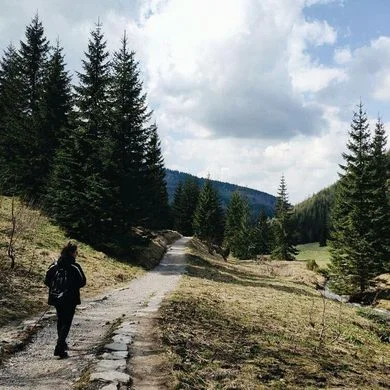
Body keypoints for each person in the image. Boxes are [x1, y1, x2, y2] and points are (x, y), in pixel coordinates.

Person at [44, 241, 86, 358]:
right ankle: (59, 347)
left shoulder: (54, 265)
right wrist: (71, 287)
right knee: (66, 323)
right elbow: (82, 282)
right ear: (72, 253)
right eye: (76, 252)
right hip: (70, 298)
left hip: (56, 297)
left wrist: (57, 289)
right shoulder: (75, 266)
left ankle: (62, 343)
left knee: (60, 320)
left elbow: (47, 281)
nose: (77, 254)